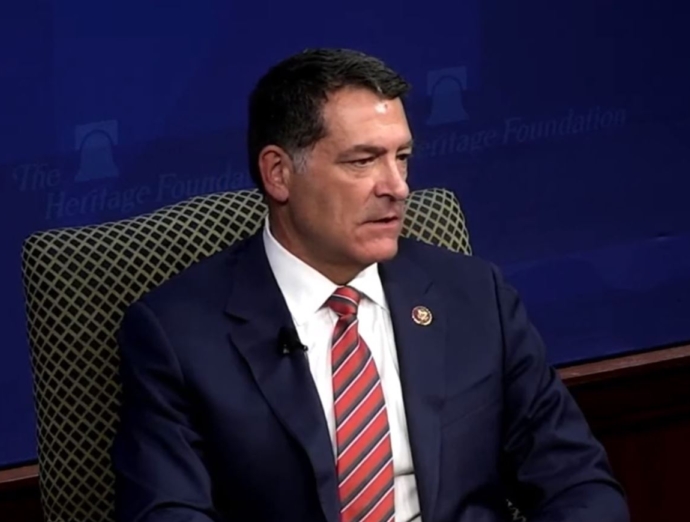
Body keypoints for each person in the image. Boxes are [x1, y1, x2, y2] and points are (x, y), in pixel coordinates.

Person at [112, 48, 629, 522]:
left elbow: (578, 485)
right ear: (279, 174)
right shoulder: (178, 335)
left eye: (401, 157)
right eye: (362, 161)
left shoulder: (474, 296)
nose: (397, 187)